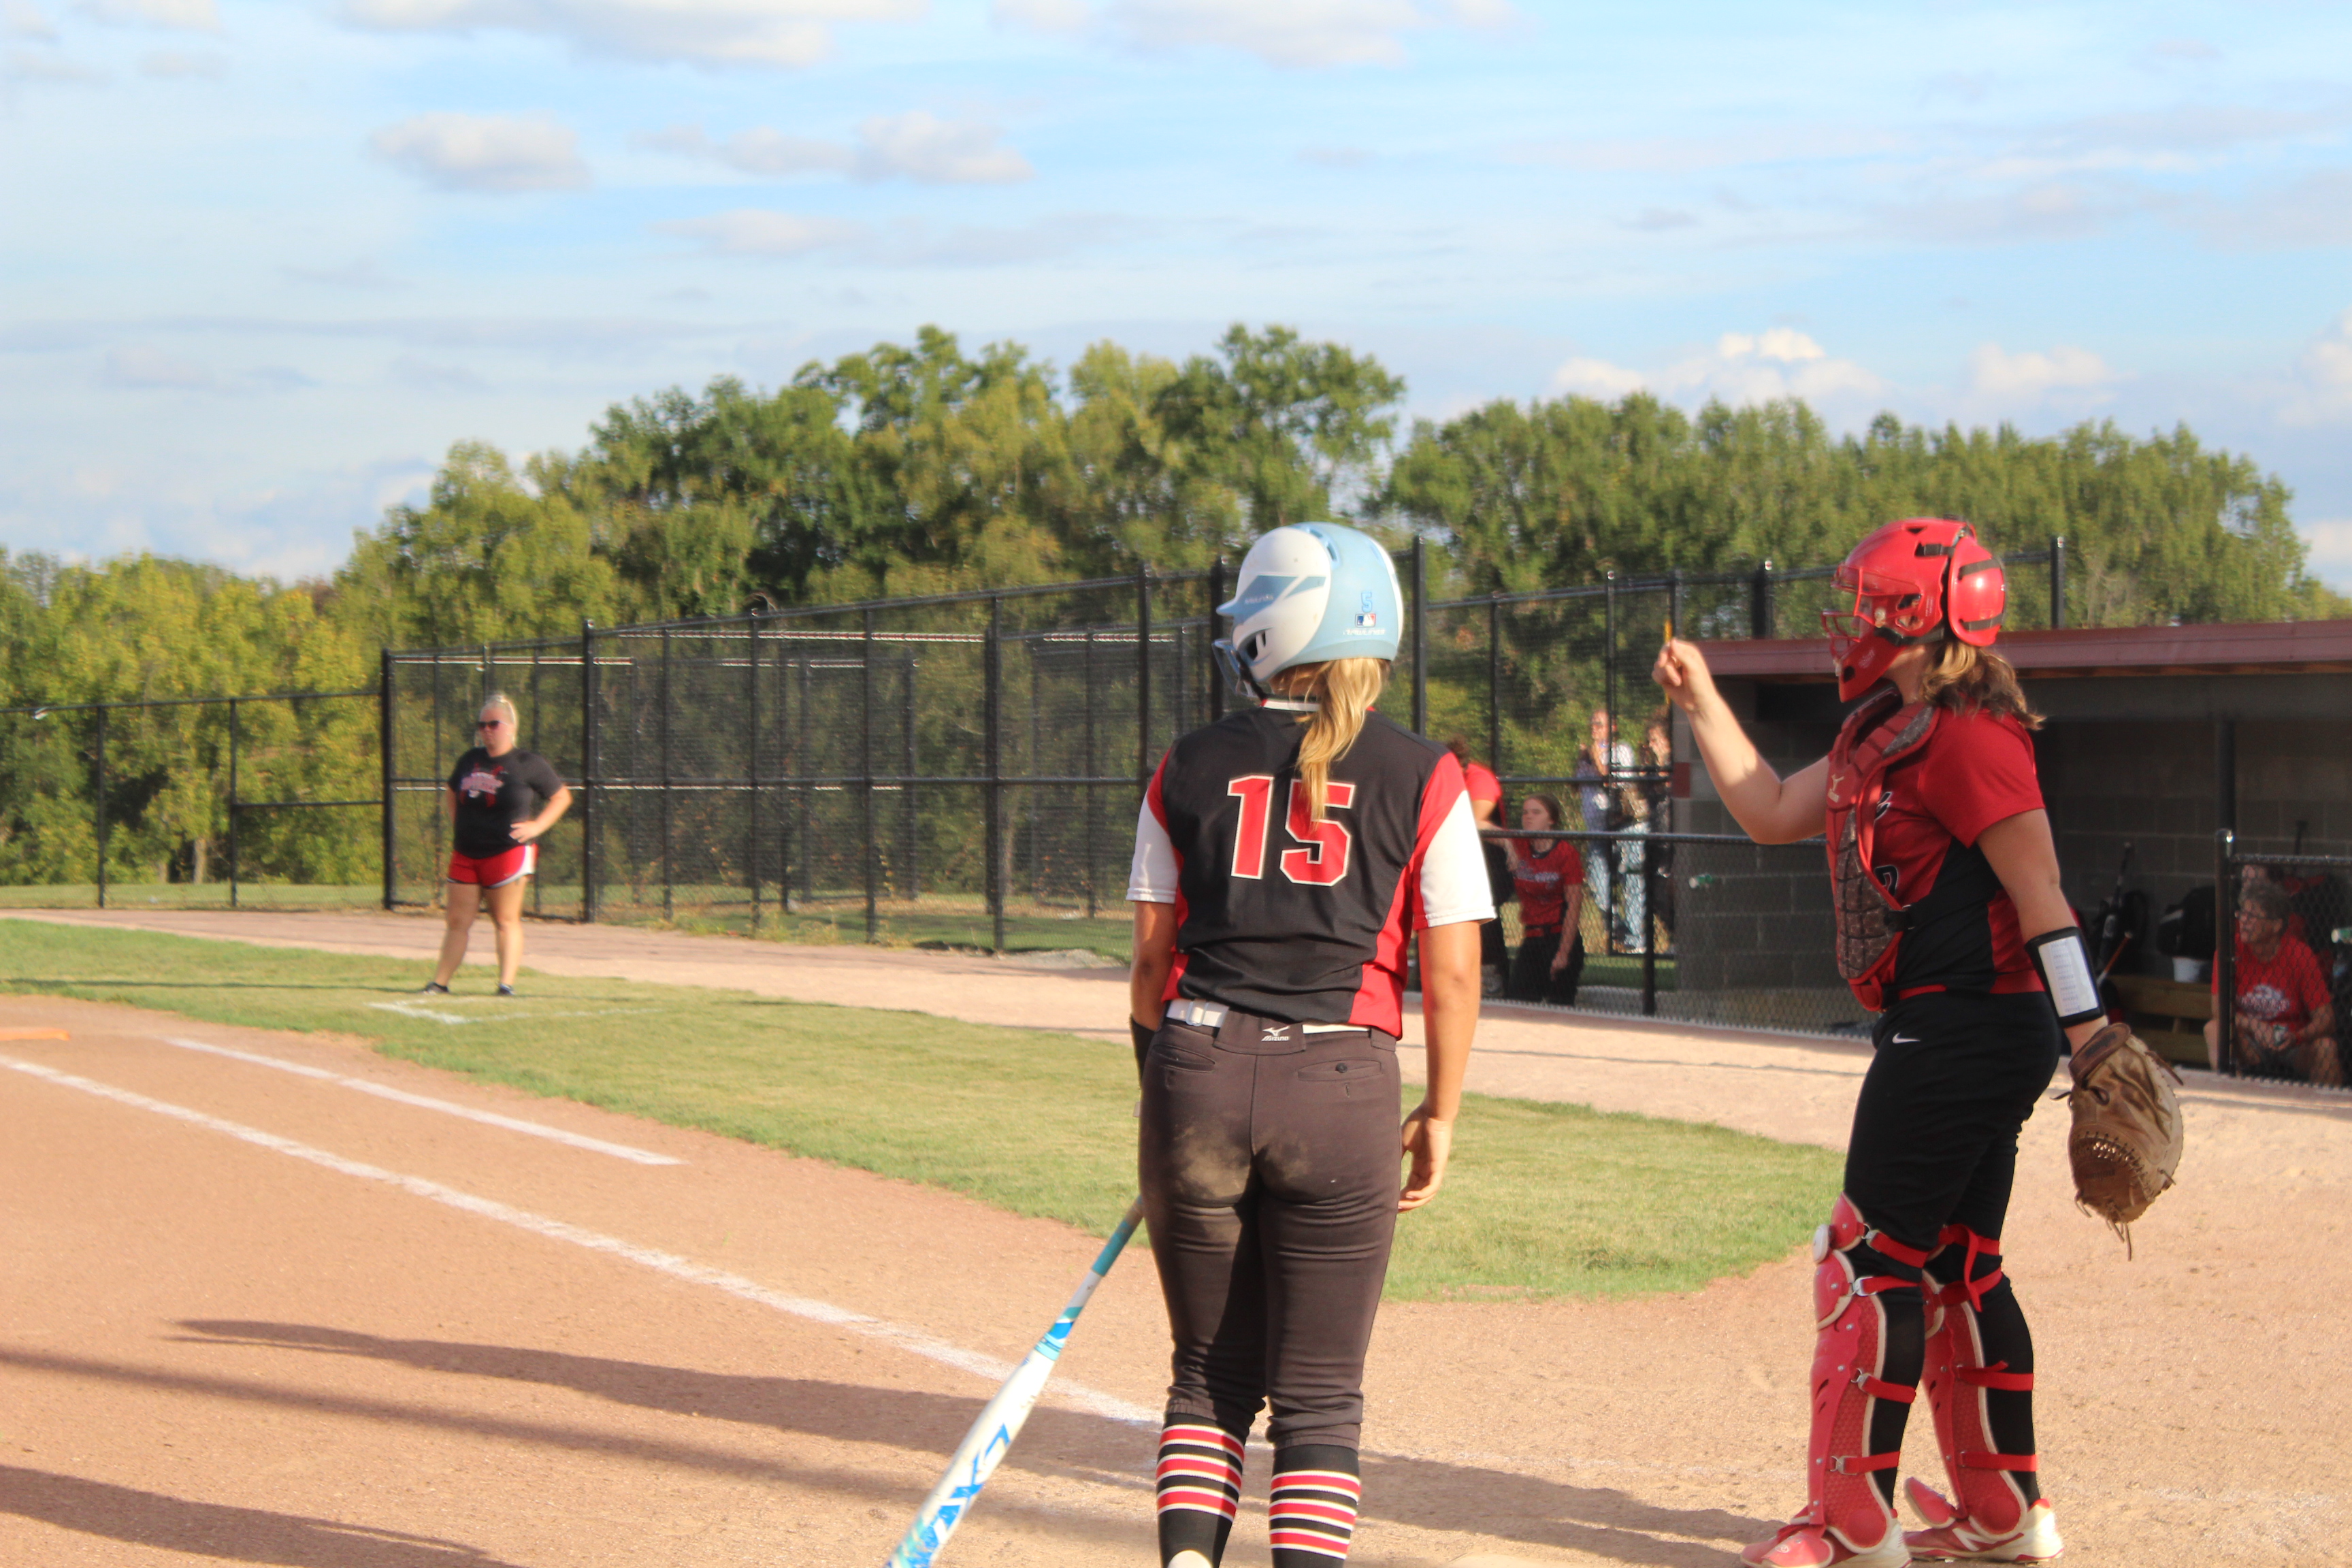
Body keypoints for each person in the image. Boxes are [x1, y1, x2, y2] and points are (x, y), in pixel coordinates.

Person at [1656, 518, 2091, 1567]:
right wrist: (1706, 700)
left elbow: (2043, 896)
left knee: (1863, 1256)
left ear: (1910, 618)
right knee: (1955, 1261)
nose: (1843, 623)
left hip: (1970, 1024)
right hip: (1952, 1022)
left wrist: (2097, 1034)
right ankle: (2001, 1515)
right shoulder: (1881, 732)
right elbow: (1765, 810)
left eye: (1861, 604)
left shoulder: (1971, 735)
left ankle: (1849, 1525)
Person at [1128, 521, 1492, 1568]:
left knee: (1208, 1371)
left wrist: (1165, 1091)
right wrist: (1444, 1112)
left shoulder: (1187, 762)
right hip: (1341, 1083)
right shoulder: (1429, 775)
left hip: (1195, 1062)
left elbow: (1152, 968)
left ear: (1275, 630)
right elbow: (1454, 970)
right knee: (1320, 1394)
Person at [425, 693, 572, 998]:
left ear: (510, 727)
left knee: (505, 920)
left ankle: (506, 985)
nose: (487, 730)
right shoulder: (470, 759)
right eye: (482, 725)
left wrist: (537, 826)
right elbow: (452, 791)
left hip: (507, 852)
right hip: (466, 851)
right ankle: (440, 983)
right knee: (457, 921)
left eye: (494, 724)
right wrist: (459, 824)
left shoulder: (527, 763)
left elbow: (561, 797)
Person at [2206, 878, 2340, 1085]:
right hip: (2250, 1041)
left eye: (2253, 916)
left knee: (2326, 1047)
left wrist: (2296, 1037)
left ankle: (2321, 1109)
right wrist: (2254, 1025)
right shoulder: (2229, 952)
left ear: (2276, 925)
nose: (2244, 921)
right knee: (2213, 1029)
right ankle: (2232, 1093)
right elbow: (2219, 1010)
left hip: (2292, 1040)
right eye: (2242, 913)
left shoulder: (2299, 955)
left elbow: (2326, 1019)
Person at [1446, 736, 1512, 996]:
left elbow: (1472, 819)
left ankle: (1493, 975)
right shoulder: (1439, 779)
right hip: (1460, 860)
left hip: (1492, 864)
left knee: (1485, 917)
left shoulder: (1478, 777)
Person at [1505, 793, 1584, 1006]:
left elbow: (1574, 906)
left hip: (1559, 936)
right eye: (1525, 813)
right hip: (1532, 937)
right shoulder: (1520, 845)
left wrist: (1563, 953)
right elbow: (1481, 826)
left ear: (1551, 820)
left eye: (1536, 812)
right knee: (1517, 1001)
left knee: (1559, 1005)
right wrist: (1507, 846)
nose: (1528, 817)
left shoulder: (1565, 853)